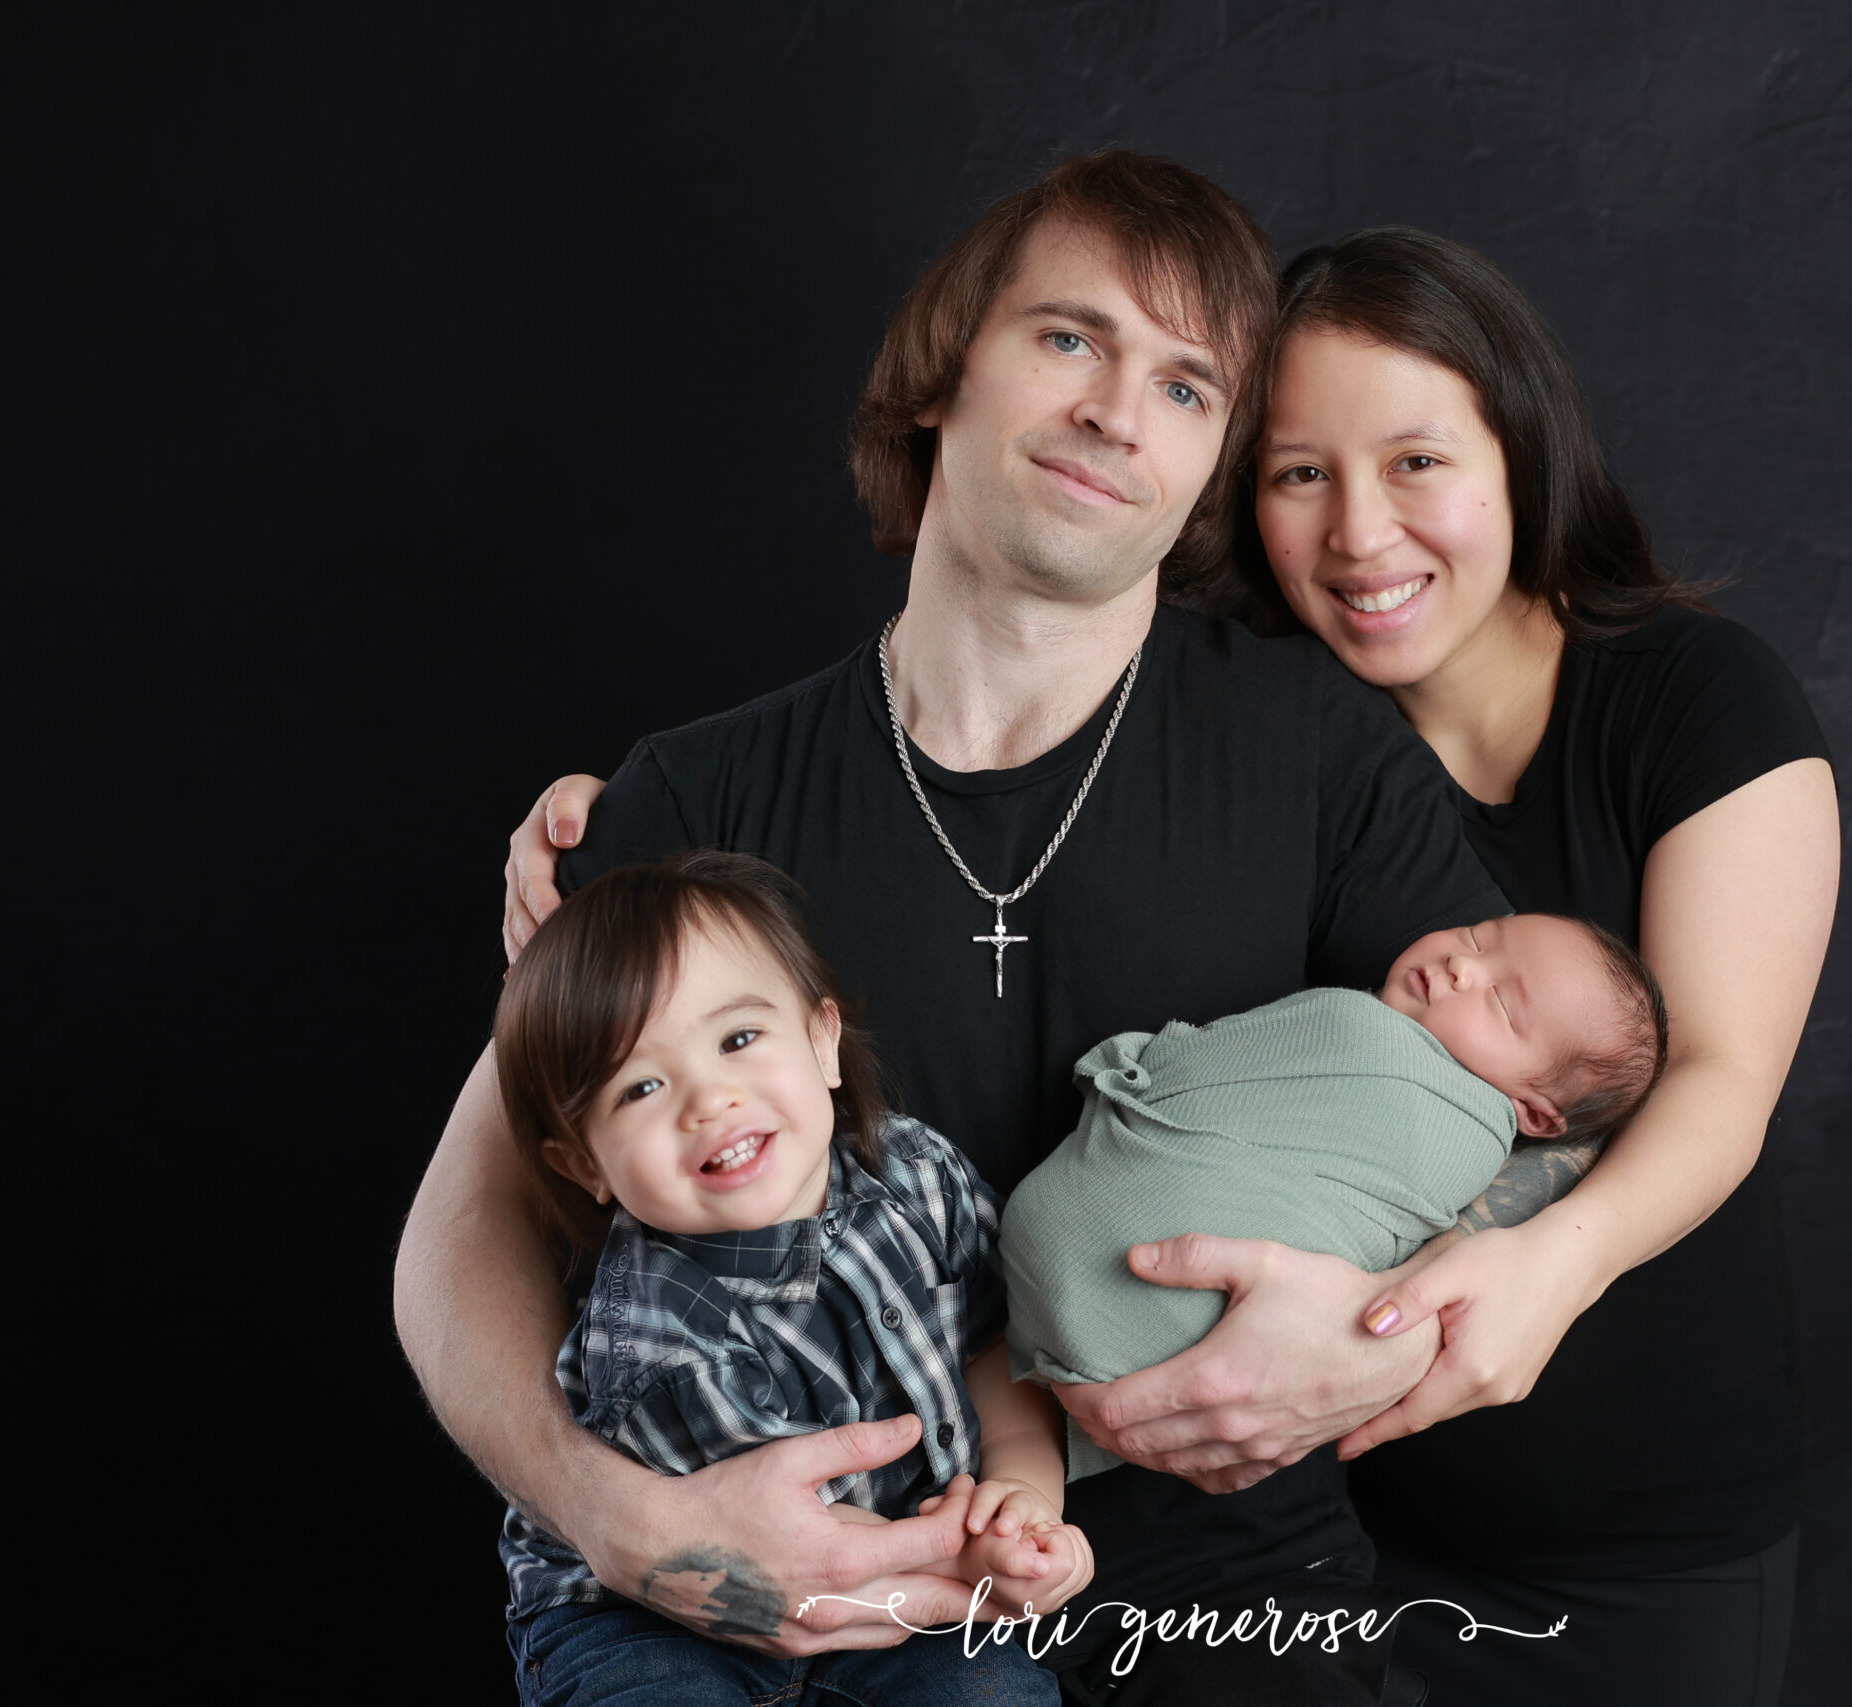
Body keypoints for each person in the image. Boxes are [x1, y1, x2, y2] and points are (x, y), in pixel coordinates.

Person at [398, 149, 1510, 1705]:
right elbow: (460, 1236)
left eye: (1189, 388)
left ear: (1211, 466)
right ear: (943, 371)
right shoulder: (693, 791)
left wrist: (1381, 1334)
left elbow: (1530, 1133)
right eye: (1072, 339)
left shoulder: (1316, 748)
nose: (1121, 411)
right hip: (787, 1596)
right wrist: (631, 1523)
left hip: (1223, 1586)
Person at [1098, 225, 1832, 1706]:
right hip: (1306, 1552)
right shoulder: (1244, 734)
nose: (1362, 534)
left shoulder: (1695, 697)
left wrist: (1543, 1271)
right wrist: (633, 827)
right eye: (1302, 472)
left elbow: (1724, 1076)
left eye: (1416, 461)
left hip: (1643, 1561)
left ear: (1520, 454)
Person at [489, 852, 1082, 1703]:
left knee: (994, 1691)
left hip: (906, 1569)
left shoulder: (918, 1176)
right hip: (659, 1608)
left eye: (738, 1038)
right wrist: (974, 1557)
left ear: (823, 1040)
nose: (709, 1100)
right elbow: (788, 1542)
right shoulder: (650, 1330)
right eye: (642, 1086)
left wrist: (1023, 1502)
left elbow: (995, 1343)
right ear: (585, 1162)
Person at [1006, 913, 1667, 1457]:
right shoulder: (1469, 1165)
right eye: (1479, 935)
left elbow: (1178, 1064)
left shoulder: (1364, 1037)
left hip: (1089, 1270)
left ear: (1535, 1114)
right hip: (1145, 1376)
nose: (1464, 965)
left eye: (1501, 1001)